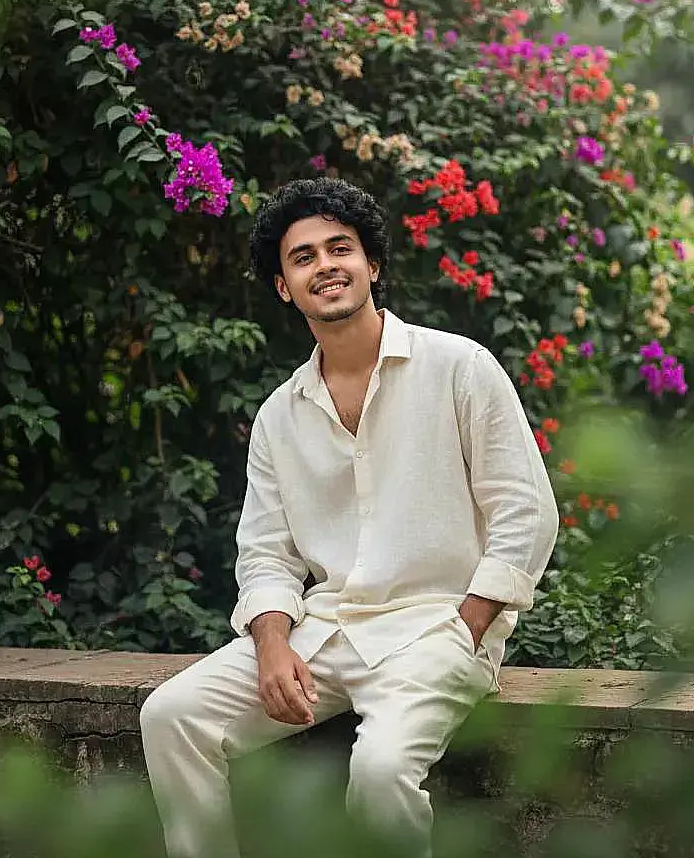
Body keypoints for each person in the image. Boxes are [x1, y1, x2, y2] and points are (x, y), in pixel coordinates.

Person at [140, 177, 560, 858]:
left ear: (373, 266)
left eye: (341, 248)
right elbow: (267, 554)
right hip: (327, 630)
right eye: (302, 257)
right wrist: (271, 645)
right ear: (283, 286)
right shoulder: (281, 415)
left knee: (379, 772)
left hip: (436, 631)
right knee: (171, 716)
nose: (325, 265)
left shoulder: (459, 367)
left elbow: (526, 511)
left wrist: (469, 625)